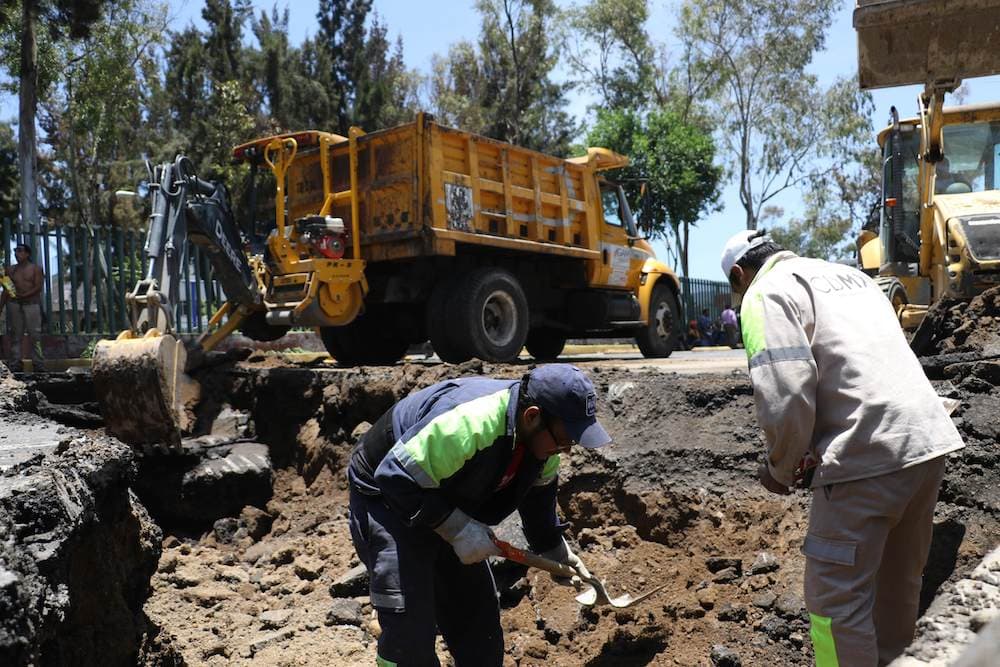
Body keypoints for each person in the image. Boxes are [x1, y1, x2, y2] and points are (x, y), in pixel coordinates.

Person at [720, 229, 965, 667]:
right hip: (926, 441)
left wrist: (780, 467)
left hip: (864, 452)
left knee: (834, 601)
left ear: (739, 274)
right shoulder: (853, 278)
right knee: (896, 588)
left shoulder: (764, 293)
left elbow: (786, 389)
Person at [347, 364, 611, 667]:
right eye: (564, 439)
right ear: (532, 416)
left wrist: (555, 550)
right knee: (409, 638)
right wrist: (457, 528)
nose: (566, 450)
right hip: (388, 497)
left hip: (444, 494)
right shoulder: (468, 423)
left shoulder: (543, 446)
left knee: (479, 631)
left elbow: (538, 504)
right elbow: (394, 477)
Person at [7, 244, 45, 372]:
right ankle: (15, 364)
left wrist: (25, 295)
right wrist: (1, 306)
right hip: (15, 304)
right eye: (15, 251)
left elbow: (38, 287)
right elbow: (6, 290)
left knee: (35, 336)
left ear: (27, 254)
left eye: (20, 251)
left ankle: (38, 364)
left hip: (31, 305)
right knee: (15, 335)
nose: (16, 253)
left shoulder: (36, 269)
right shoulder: (11, 270)